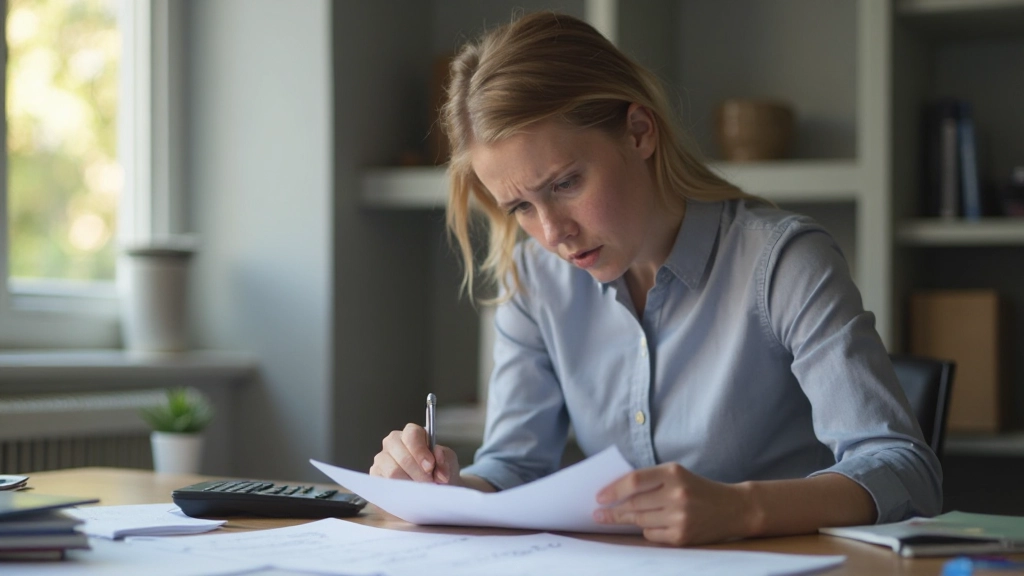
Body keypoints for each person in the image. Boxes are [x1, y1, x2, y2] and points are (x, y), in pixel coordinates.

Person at [370, 11, 941, 546]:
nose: (553, 232)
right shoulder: (535, 281)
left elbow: (905, 470)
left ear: (640, 131)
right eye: (519, 206)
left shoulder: (784, 263)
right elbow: (514, 467)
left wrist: (741, 508)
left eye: (566, 183)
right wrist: (441, 490)